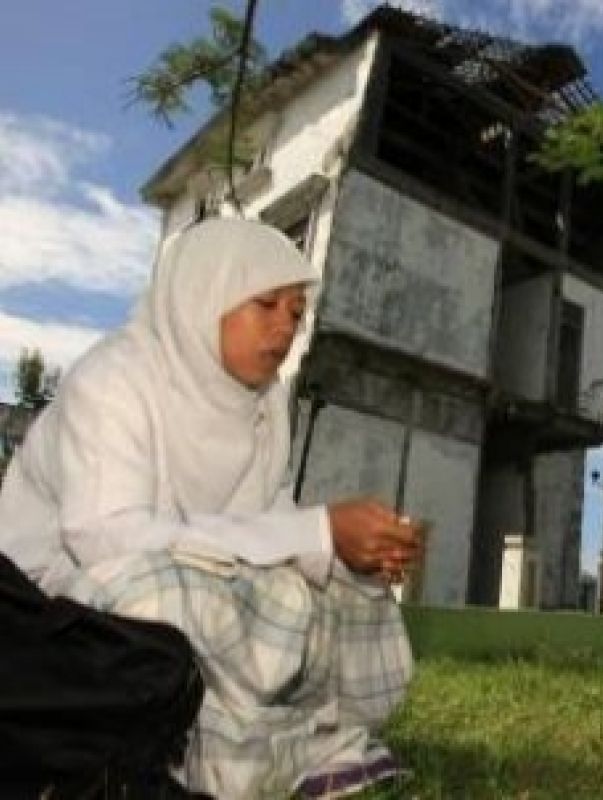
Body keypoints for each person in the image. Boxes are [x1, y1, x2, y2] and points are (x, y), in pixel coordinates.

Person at [0, 217, 423, 798]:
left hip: (192, 580)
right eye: (266, 304)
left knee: (338, 598)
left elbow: (268, 522)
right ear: (205, 294)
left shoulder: (268, 405)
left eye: (296, 314)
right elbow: (104, 538)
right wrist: (316, 532)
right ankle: (230, 745)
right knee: (163, 595)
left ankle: (265, 742)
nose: (284, 330)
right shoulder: (114, 378)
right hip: (50, 615)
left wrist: (351, 555)